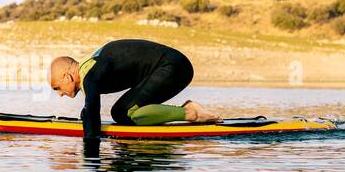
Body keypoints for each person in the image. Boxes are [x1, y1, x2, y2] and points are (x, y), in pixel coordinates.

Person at [48, 39, 221, 140]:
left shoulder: (90, 76)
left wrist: (89, 158)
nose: (60, 94)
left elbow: (93, 120)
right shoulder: (91, 67)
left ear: (67, 77)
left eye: (57, 88)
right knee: (120, 112)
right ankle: (183, 112)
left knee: (123, 113)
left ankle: (191, 113)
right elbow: (89, 109)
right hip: (172, 65)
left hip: (173, 67)